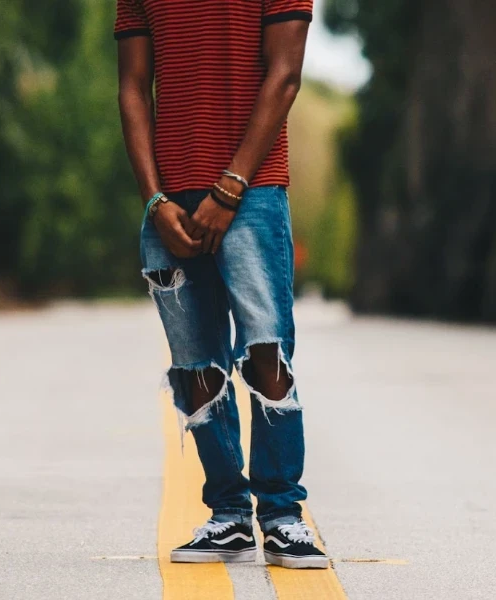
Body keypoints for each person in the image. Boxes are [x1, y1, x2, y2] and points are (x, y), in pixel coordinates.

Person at [115, 0, 328, 570]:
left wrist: (231, 187)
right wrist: (154, 199)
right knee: (197, 369)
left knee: (266, 354)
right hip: (169, 203)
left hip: (253, 193)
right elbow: (134, 85)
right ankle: (229, 514)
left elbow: (284, 77)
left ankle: (283, 516)